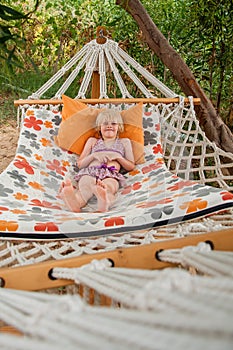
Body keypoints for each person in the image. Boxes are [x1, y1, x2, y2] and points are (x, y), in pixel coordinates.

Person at [58, 109, 135, 212]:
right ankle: (74, 202)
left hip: (111, 173)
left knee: (109, 188)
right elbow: (80, 164)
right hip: (90, 171)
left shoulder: (124, 142)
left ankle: (104, 201)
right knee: (85, 189)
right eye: (105, 123)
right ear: (99, 127)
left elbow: (131, 166)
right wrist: (94, 155)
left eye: (113, 123)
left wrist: (118, 157)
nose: (109, 126)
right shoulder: (92, 141)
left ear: (119, 127)